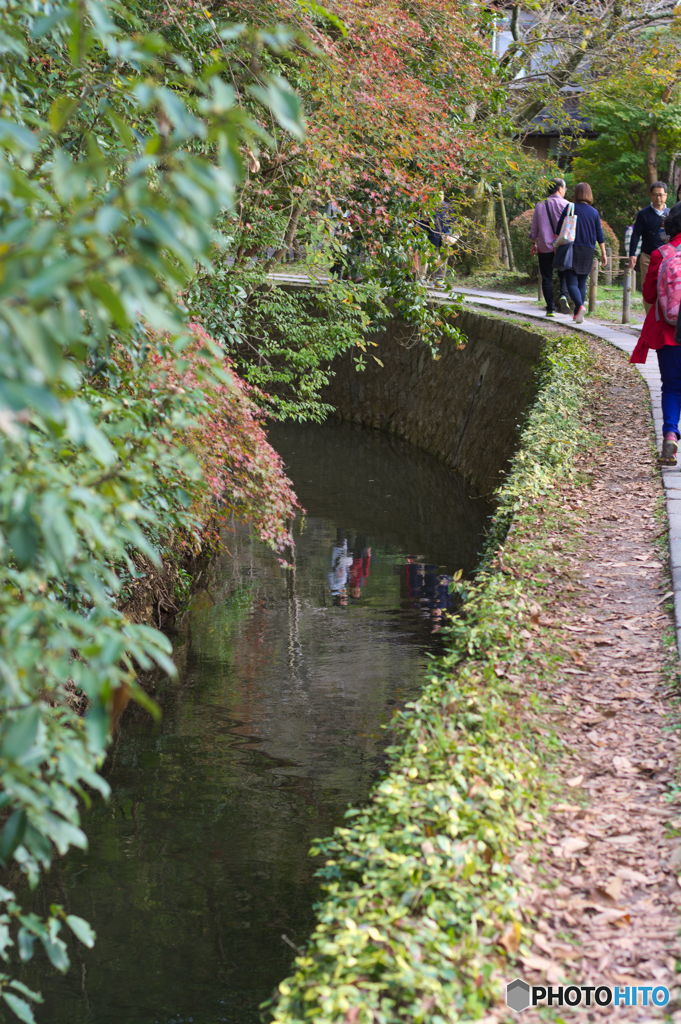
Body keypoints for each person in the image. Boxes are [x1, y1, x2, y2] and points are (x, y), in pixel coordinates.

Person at [630, 201, 681, 464]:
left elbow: (649, 294)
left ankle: (670, 435)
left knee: (672, 387)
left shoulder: (662, 254)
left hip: (669, 332)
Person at [555, 182, 608, 324]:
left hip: (572, 248)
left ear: (576, 193)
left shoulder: (570, 207)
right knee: (582, 282)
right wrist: (603, 253)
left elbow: (558, 228)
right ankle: (577, 314)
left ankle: (579, 306)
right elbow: (599, 234)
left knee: (571, 281)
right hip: (588, 250)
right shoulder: (594, 212)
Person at [529, 177, 571, 317]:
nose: (565, 191)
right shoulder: (568, 205)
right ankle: (563, 295)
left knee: (546, 276)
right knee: (564, 272)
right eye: (565, 188)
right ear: (560, 188)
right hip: (562, 246)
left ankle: (550, 309)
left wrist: (533, 242)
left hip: (544, 246)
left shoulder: (540, 205)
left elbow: (534, 228)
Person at [628, 182, 670, 312]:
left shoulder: (671, 214)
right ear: (651, 196)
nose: (658, 198)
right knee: (648, 289)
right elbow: (635, 235)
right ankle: (649, 319)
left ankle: (664, 320)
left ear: (666, 196)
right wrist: (632, 254)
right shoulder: (643, 214)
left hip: (667, 258)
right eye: (655, 195)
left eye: (661, 195)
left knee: (666, 288)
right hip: (648, 257)